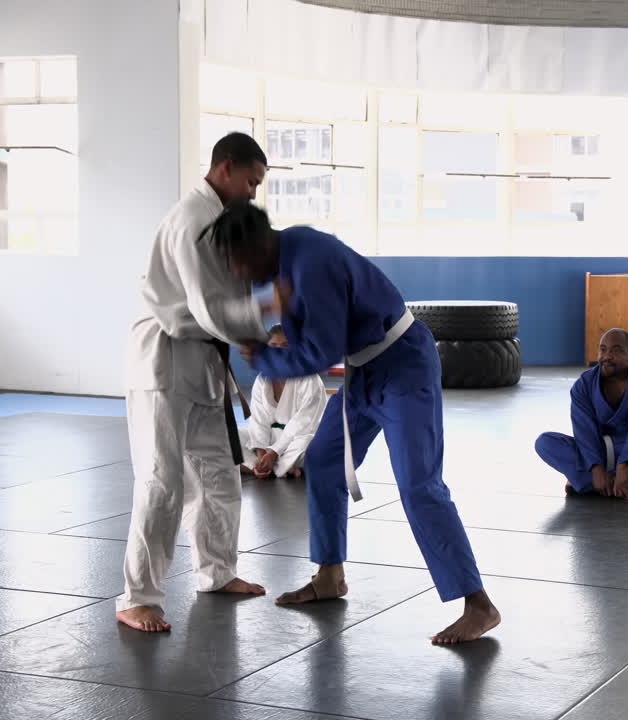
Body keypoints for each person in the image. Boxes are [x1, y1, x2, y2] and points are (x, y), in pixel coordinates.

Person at [216, 202, 501, 645]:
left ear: (253, 247)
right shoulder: (287, 257)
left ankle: (478, 604)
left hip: (403, 365)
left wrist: (266, 355)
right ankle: (329, 575)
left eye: (235, 262)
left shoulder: (309, 262)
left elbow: (322, 350)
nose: (236, 273)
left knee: (419, 485)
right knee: (326, 458)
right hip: (365, 371)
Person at [116, 132, 272, 633]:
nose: (252, 193)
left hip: (201, 365)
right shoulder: (192, 220)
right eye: (251, 181)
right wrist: (264, 328)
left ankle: (218, 571)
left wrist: (254, 330)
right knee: (162, 481)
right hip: (163, 365)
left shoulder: (219, 222)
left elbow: (224, 302)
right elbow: (205, 308)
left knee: (218, 477)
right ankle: (136, 597)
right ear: (225, 168)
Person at [535, 328, 628, 499]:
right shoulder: (584, 384)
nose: (607, 356)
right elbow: (584, 431)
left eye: (616, 351)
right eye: (603, 350)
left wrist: (625, 464)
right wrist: (595, 467)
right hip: (596, 452)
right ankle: (621, 485)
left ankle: (588, 482)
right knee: (545, 442)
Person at [241, 325, 328, 479]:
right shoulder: (263, 378)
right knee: (231, 435)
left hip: (298, 438)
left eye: (286, 345)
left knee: (308, 446)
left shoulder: (309, 378)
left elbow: (303, 423)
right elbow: (258, 419)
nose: (279, 350)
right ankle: (271, 466)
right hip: (271, 439)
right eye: (274, 346)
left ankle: (256, 467)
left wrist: (274, 452)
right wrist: (262, 452)